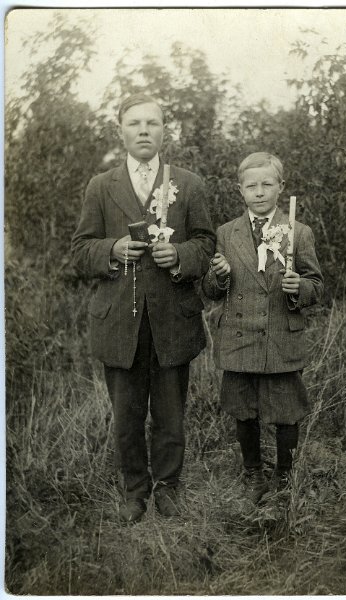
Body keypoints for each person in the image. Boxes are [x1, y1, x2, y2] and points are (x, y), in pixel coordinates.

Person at [72, 94, 215, 523]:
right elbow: (80, 252)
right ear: (120, 130)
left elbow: (207, 244)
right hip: (120, 321)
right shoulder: (101, 186)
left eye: (152, 123)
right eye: (134, 123)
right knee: (127, 416)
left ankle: (168, 487)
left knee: (170, 413)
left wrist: (183, 257)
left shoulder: (188, 184)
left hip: (172, 318)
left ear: (164, 130)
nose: (143, 131)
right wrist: (112, 248)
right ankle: (135, 491)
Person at [202, 152, 323, 504]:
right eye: (251, 185)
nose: (259, 192)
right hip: (239, 337)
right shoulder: (226, 233)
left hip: (280, 338)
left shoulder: (298, 231)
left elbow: (317, 285)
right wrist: (217, 275)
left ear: (281, 188)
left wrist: (298, 287)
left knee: (286, 409)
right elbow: (211, 292)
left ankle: (285, 476)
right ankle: (253, 473)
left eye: (267, 184)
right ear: (240, 190)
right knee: (243, 408)